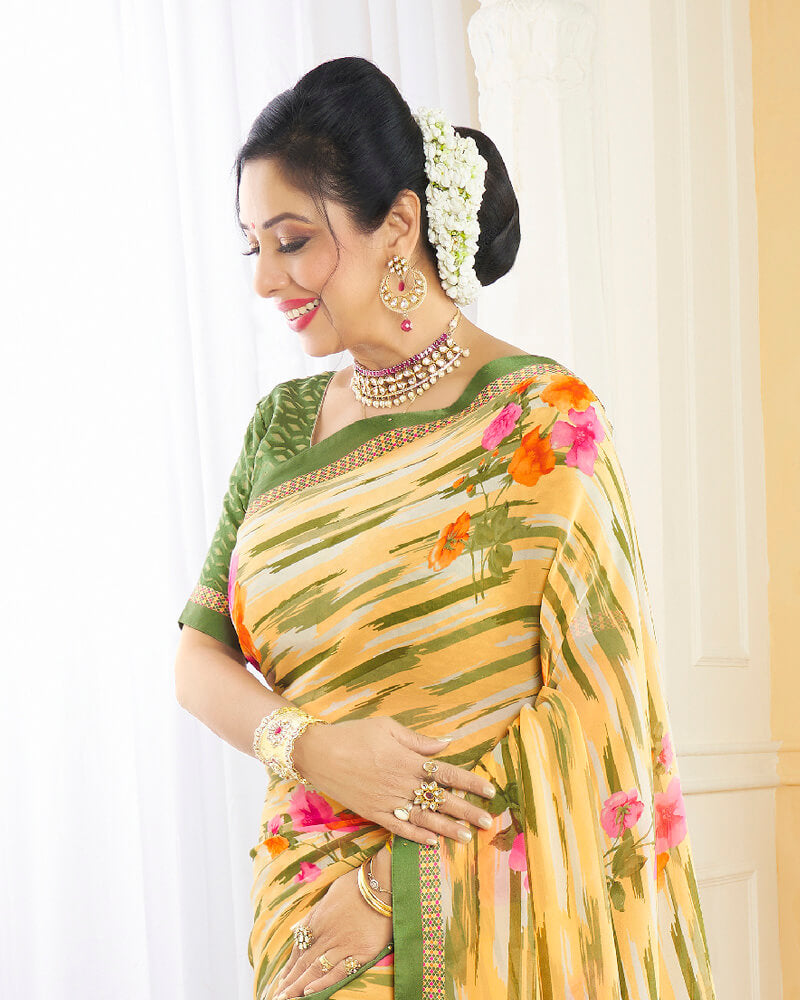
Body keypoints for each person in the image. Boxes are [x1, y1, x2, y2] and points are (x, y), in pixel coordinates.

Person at [174, 56, 717, 1000]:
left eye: (292, 240)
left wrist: (394, 888)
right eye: (251, 246)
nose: (265, 279)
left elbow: (597, 708)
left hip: (476, 915)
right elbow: (196, 660)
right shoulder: (283, 429)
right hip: (303, 910)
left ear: (398, 225)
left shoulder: (544, 422)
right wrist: (312, 748)